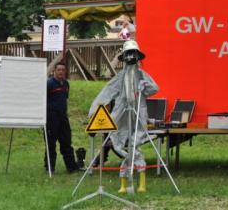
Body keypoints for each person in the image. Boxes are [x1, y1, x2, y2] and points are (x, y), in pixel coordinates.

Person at [89, 40, 158, 193]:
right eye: (128, 53)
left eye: (133, 53)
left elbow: (155, 88)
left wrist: (144, 86)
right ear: (124, 56)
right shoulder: (120, 77)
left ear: (137, 55)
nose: (130, 57)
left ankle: (140, 183)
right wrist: (94, 110)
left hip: (138, 113)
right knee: (117, 142)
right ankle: (123, 183)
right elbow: (107, 92)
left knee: (134, 144)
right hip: (121, 114)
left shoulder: (142, 75)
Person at [44, 64, 79, 174]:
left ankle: (71, 167)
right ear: (54, 71)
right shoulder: (49, 84)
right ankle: (50, 168)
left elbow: (65, 98)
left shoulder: (66, 84)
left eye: (63, 70)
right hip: (51, 118)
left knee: (66, 142)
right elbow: (43, 100)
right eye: (59, 70)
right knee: (50, 144)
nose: (61, 72)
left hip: (63, 118)